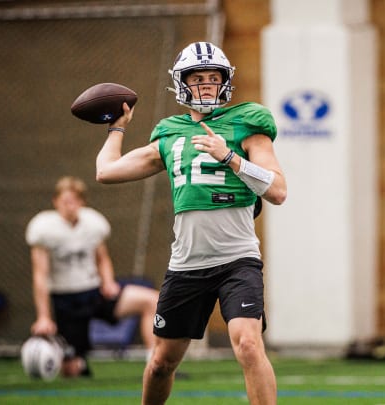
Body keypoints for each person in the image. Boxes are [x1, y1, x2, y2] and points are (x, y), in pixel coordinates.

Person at [94, 41, 287, 405]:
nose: (206, 86)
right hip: (187, 264)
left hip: (238, 258)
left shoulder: (249, 121)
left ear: (225, 82)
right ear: (182, 84)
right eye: (197, 79)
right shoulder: (169, 132)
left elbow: (277, 190)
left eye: (213, 78)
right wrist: (116, 128)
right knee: (162, 363)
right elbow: (106, 172)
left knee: (248, 343)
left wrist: (230, 157)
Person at [26, 176, 159, 377]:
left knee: (152, 300)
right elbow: (40, 275)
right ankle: (76, 360)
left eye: (74, 201)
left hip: (94, 292)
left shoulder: (93, 222)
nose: (70, 206)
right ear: (56, 202)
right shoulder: (44, 228)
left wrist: (108, 281)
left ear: (82, 202)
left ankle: (156, 365)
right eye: (65, 201)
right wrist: (43, 316)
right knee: (73, 371)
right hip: (66, 300)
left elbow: (102, 259)